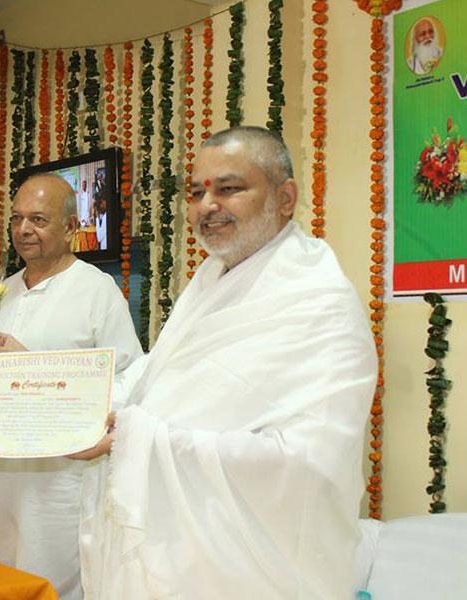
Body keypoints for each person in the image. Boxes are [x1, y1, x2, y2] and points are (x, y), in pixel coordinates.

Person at [75, 126, 377, 598]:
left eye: (230, 188)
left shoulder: (319, 301)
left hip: (253, 568)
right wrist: (87, 396)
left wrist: (136, 436)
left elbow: (307, 463)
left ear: (285, 197)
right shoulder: (213, 277)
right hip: (179, 555)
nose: (206, 205)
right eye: (197, 192)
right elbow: (160, 373)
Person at [0, 174, 143, 599]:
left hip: (57, 484)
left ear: (70, 228)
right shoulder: (3, 291)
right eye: (16, 219)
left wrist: (31, 368)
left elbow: (128, 380)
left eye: (38, 220)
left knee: (49, 585)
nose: (24, 230)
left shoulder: (95, 290)